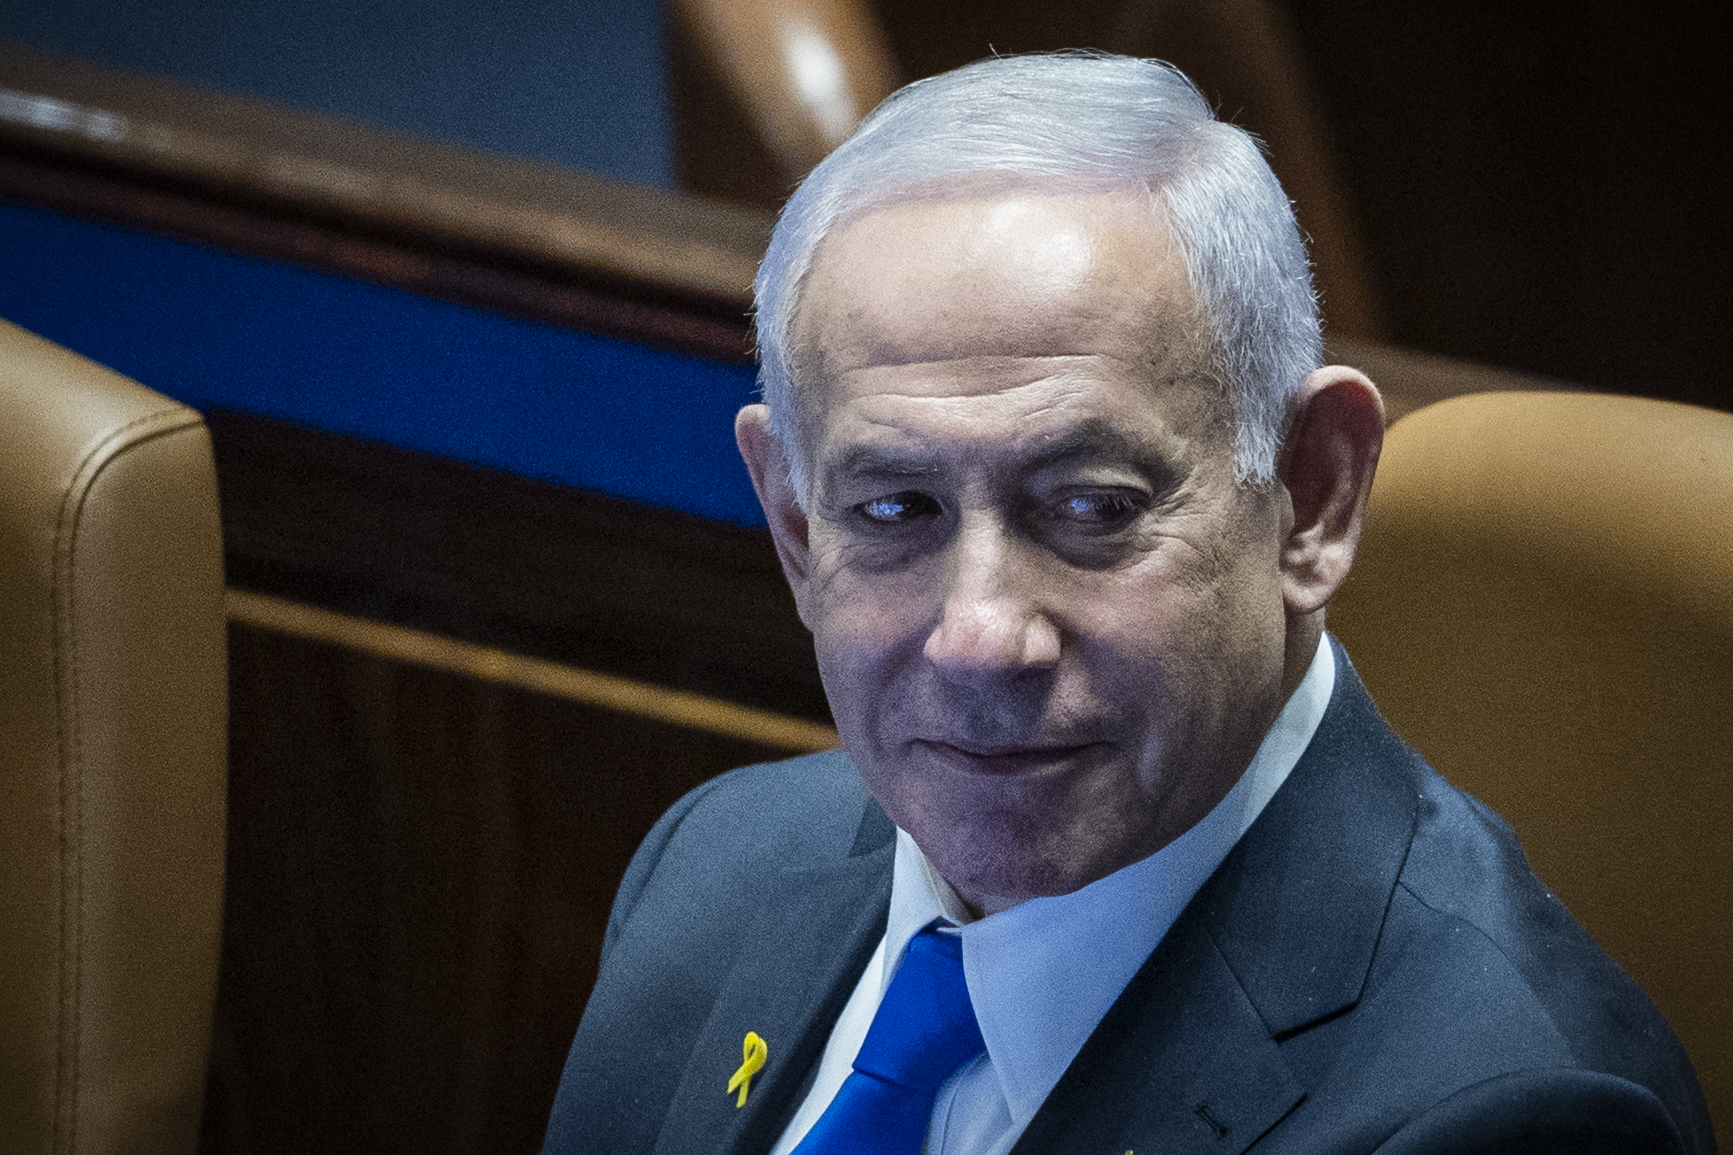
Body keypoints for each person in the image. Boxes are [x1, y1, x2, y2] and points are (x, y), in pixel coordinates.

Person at [541, 53, 1714, 1155]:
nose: (980, 637)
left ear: (1308, 495)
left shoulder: (1508, 1115)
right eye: (894, 510)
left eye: (1090, 507)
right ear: (796, 525)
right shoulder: (711, 869)